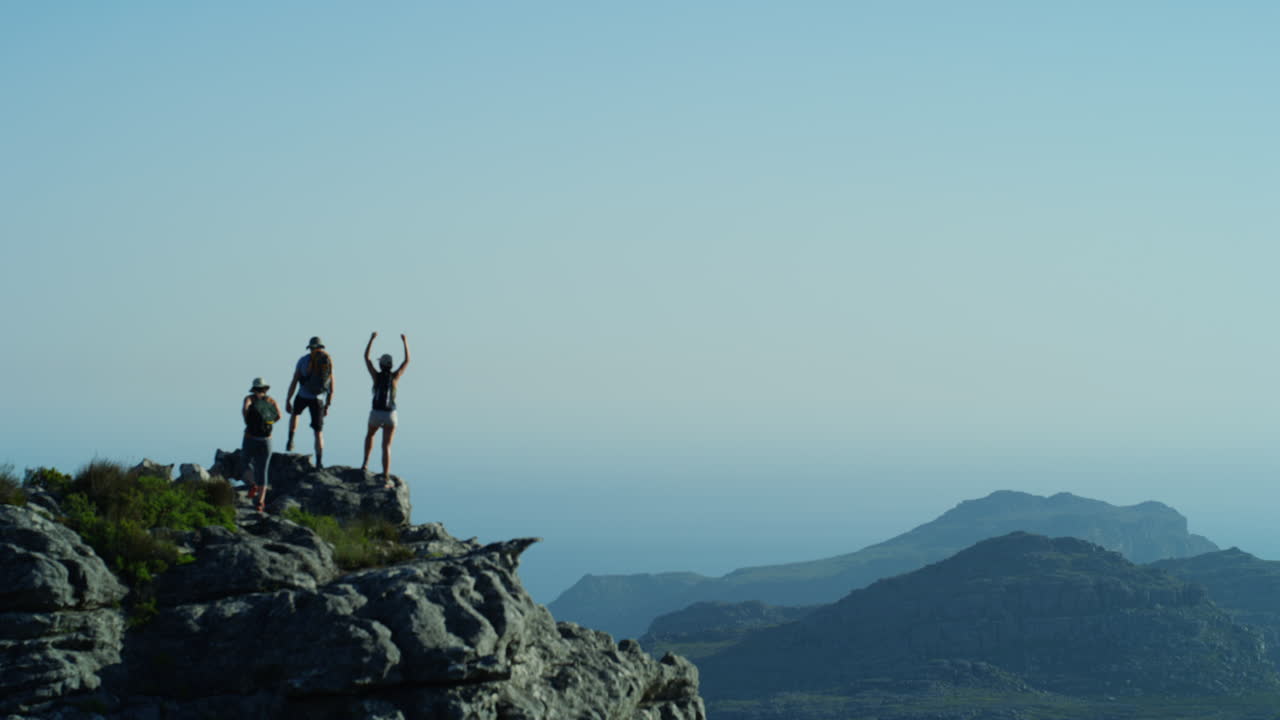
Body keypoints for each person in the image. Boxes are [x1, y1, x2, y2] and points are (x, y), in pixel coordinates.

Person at [361, 331, 410, 487]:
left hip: (376, 412)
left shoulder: (376, 376)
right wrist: (405, 341)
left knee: (370, 435)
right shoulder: (395, 377)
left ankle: (365, 464)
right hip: (390, 414)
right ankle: (385, 475)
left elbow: (366, 358)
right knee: (386, 445)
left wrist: (371, 339)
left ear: (381, 364)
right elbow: (407, 361)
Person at [286, 336, 335, 468]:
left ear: (310, 347)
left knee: (295, 414)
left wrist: (288, 399)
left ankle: (291, 438)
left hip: (302, 394)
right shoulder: (327, 360)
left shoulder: (303, 360)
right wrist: (328, 405)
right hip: (318, 398)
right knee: (318, 432)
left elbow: (295, 380)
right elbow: (331, 385)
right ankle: (319, 462)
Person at [242, 377, 281, 512]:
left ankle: (252, 484)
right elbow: (278, 416)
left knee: (245, 462)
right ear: (265, 388)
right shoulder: (271, 401)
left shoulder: (249, 399)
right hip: (266, 439)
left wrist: (249, 422)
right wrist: (268, 423)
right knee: (263, 469)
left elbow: (245, 410)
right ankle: (260, 502)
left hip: (250, 437)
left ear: (254, 388)